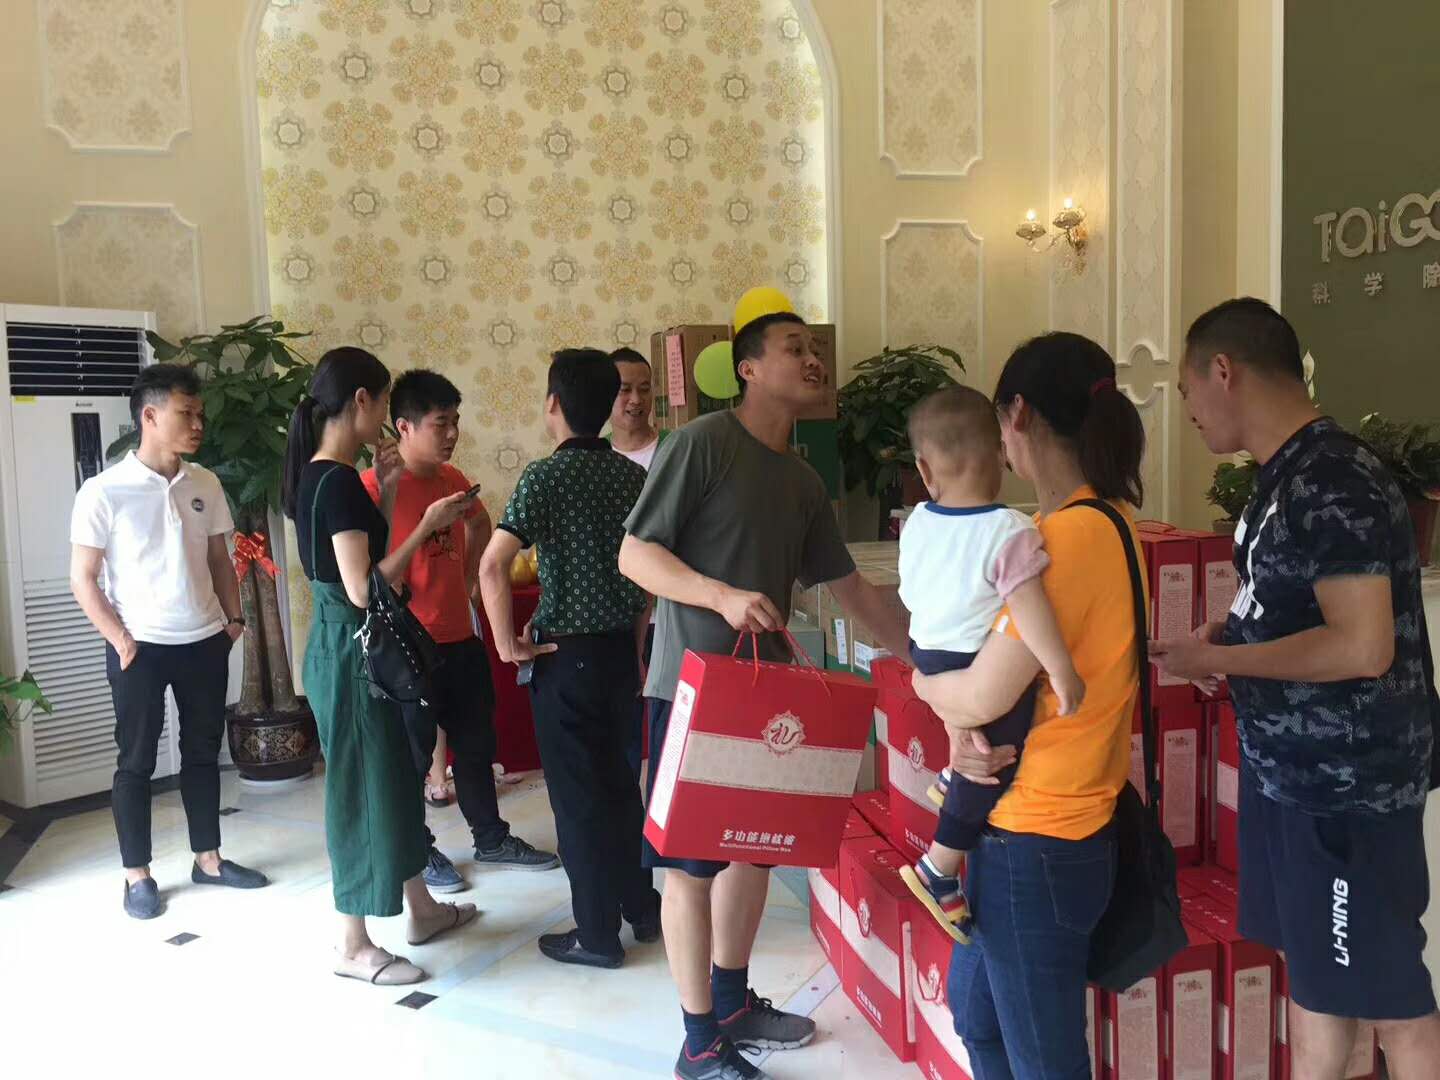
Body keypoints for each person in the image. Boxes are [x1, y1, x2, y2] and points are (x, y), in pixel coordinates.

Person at [619, 312, 912, 1080]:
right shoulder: (702, 444)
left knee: (754, 851)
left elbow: (852, 591)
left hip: (767, 699)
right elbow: (635, 554)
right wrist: (718, 596)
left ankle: (732, 1002)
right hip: (693, 690)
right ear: (747, 369)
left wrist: (926, 658)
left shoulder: (804, 480)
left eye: (815, 349)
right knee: (689, 868)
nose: (813, 360)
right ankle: (697, 1042)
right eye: (794, 349)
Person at [1153, 298, 1440, 1080]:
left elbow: (1361, 645)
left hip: (1346, 791)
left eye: (1184, 389)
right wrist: (1230, 638)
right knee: (1316, 982)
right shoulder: (1283, 477)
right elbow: (1297, 606)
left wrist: (1225, 660)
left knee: (1391, 1003)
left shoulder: (1333, 477)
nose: (1187, 410)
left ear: (1223, 371)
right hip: (1292, 779)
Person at [910, 332, 1146, 1078]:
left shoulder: (1062, 541)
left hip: (1038, 840)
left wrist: (920, 685)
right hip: (1038, 829)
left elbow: (984, 691)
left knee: (1043, 1061)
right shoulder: (1111, 518)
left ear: (1017, 416)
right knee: (979, 1020)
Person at [282, 347, 478, 987]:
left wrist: (388, 492)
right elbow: (365, 589)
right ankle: (353, 944)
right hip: (352, 650)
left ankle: (420, 908)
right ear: (361, 400)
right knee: (360, 791)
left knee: (393, 777)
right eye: (385, 402)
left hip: (353, 644)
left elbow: (358, 561)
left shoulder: (329, 475)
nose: (389, 417)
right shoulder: (334, 480)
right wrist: (425, 527)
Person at [478, 348, 661, 970]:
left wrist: (508, 644)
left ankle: (596, 934)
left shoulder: (544, 477)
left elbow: (492, 565)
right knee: (620, 787)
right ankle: (641, 908)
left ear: (553, 403)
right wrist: (637, 651)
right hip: (619, 655)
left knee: (578, 801)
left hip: (565, 657)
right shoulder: (631, 478)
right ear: (609, 405)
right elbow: (646, 580)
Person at [70, 364, 268, 919]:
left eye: (200, 413)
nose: (199, 423)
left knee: (203, 753)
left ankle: (209, 860)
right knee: (135, 761)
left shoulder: (205, 483)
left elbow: (220, 559)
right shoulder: (104, 490)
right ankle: (137, 876)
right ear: (150, 416)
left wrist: (234, 621)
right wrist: (119, 639)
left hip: (204, 640)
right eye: (187, 413)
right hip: (139, 647)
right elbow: (83, 577)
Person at [895, 385, 1084, 944]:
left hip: (926, 649)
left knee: (970, 744)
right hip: (972, 657)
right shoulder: (1011, 531)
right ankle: (939, 867)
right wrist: (1062, 670)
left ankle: (951, 775)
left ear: (924, 470)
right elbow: (1030, 611)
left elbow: (911, 589)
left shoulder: (918, 521)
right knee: (995, 759)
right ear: (1001, 455)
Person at [360, 369, 559, 894]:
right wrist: (426, 524)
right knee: (413, 758)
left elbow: (480, 523)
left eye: (455, 421)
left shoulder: (452, 478)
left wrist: (471, 577)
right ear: (404, 427)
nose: (451, 433)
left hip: (458, 638)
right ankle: (418, 848)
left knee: (475, 744)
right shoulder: (376, 487)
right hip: (407, 646)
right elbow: (368, 575)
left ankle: (491, 839)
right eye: (440, 423)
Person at [606, 346, 665, 779]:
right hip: (616, 617)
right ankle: (626, 814)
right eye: (624, 389)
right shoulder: (595, 460)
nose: (636, 400)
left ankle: (662, 816)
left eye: (645, 389)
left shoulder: (674, 451)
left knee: (668, 731)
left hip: (670, 615)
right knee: (621, 733)